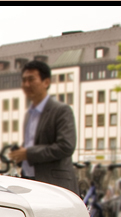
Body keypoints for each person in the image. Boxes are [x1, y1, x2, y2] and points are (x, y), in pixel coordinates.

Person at [8, 60, 78, 193]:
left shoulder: (61, 110)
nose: (26, 84)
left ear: (46, 82)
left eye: (31, 79)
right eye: (24, 80)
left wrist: (28, 153)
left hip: (54, 185)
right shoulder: (29, 114)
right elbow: (32, 145)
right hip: (29, 181)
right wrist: (20, 155)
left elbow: (66, 146)